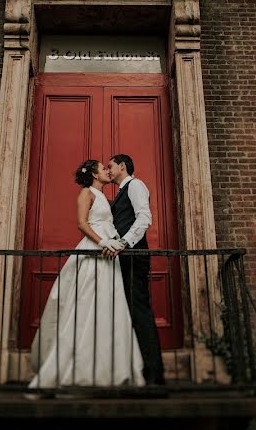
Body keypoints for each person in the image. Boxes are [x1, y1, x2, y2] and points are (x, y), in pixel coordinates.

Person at [28, 159, 145, 389]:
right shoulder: (86, 193)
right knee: (85, 303)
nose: (107, 171)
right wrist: (103, 242)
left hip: (109, 252)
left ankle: (107, 368)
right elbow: (82, 224)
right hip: (95, 249)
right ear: (93, 173)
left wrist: (114, 243)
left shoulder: (104, 197)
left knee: (107, 306)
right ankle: (75, 368)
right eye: (103, 168)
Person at [105, 154, 165, 385]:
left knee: (139, 311)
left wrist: (124, 243)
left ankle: (154, 374)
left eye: (110, 166)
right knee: (129, 311)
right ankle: (137, 369)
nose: (108, 171)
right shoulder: (121, 191)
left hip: (134, 256)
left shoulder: (136, 185)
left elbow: (144, 218)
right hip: (125, 257)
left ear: (122, 166)